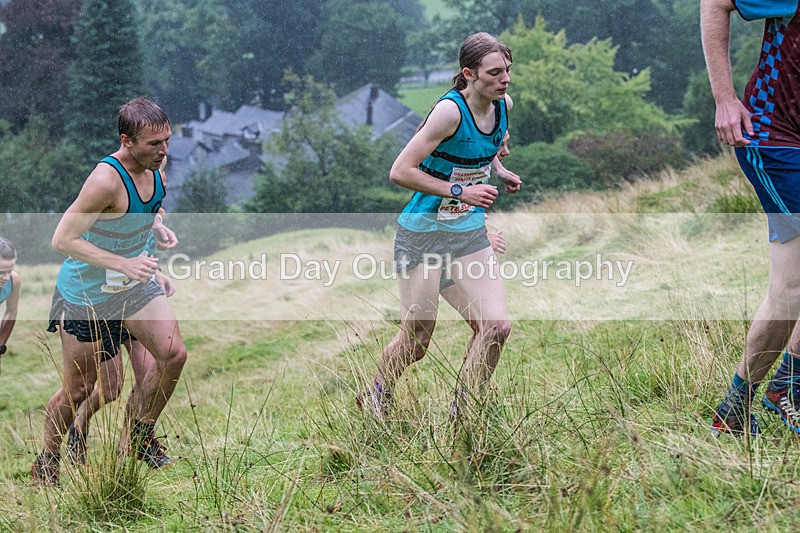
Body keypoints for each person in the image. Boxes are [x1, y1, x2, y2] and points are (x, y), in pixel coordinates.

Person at [357, 32, 521, 418]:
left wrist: (498, 167)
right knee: (417, 341)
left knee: (495, 327)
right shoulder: (449, 112)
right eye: (495, 72)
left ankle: (463, 415)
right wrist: (460, 191)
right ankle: (377, 398)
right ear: (469, 74)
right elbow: (400, 171)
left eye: (508, 71)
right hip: (423, 235)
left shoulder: (503, 104)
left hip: (467, 234)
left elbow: (491, 142)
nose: (505, 79)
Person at [32, 97, 187, 485]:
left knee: (173, 354)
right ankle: (48, 459)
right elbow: (63, 239)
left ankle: (139, 433)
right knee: (80, 389)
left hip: (133, 287)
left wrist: (155, 228)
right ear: (126, 140)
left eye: (167, 141)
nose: (163, 151)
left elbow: (143, 210)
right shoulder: (105, 180)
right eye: (154, 144)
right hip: (87, 294)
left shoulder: (157, 168)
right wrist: (123, 263)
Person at [702, 0, 800, 436]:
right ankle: (788, 389)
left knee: (790, 291)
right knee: (791, 290)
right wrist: (724, 98)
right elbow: (716, 1)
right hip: (776, 140)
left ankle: (733, 412)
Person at [65, 271, 176, 466]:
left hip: (134, 300)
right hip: (103, 304)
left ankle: (127, 444)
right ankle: (81, 420)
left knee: (148, 376)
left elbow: (137, 248)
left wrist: (155, 272)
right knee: (110, 390)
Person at [439, 130, 510, 358]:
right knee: (415, 341)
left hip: (459, 253)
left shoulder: (478, 167)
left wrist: (499, 169)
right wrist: (482, 238)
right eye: (501, 145)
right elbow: (447, 217)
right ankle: (379, 391)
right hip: (437, 256)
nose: (505, 151)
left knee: (486, 327)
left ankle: (468, 390)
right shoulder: (454, 170)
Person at [0, 238, 21, 367]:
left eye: (10, 270)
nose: (6, 277)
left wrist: (1, 343)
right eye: (1, 272)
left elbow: (11, 310)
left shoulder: (14, 281)